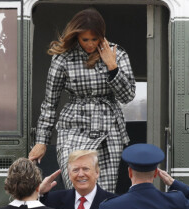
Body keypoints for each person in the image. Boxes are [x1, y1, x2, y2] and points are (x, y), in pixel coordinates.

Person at [28, 8, 135, 193]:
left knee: (103, 192)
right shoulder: (63, 58)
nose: (90, 44)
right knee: (76, 186)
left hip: (108, 129)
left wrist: (112, 66)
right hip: (73, 126)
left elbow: (128, 96)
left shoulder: (117, 54)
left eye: (95, 39)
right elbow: (50, 103)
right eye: (85, 39)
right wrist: (42, 141)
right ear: (76, 36)